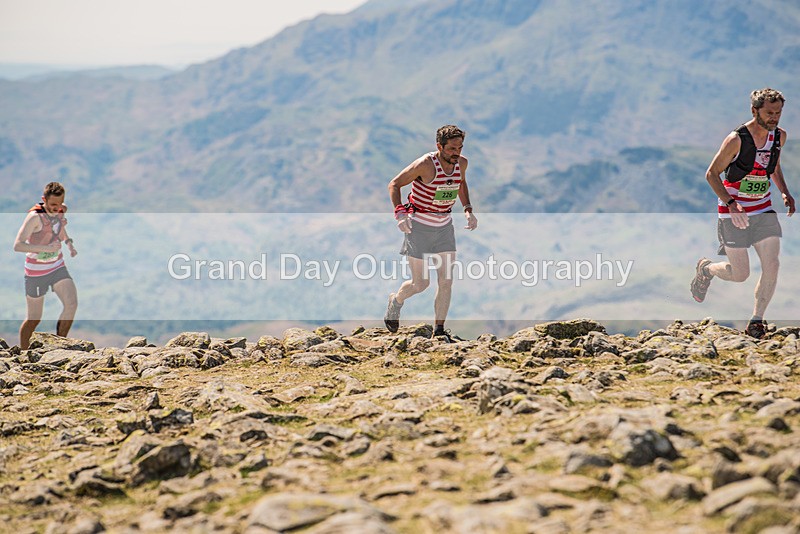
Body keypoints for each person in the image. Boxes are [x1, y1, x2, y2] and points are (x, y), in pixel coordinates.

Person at [691, 88, 795, 338]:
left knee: (772, 264)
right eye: (769, 113)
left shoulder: (779, 137)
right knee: (740, 274)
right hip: (733, 211)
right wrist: (730, 203)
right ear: (754, 111)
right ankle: (706, 269)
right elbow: (711, 174)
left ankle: (756, 321)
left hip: (763, 209)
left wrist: (784, 192)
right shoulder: (736, 139)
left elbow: (774, 166)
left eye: (778, 113)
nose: (774, 118)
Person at [384, 125, 478, 341]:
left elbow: (460, 183)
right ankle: (396, 301)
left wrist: (468, 210)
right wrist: (400, 214)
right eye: (453, 148)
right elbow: (395, 184)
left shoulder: (461, 163)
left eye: (460, 147)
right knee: (421, 283)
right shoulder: (425, 165)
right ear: (439, 146)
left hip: (444, 227)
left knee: (446, 281)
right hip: (418, 228)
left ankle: (439, 331)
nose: (457, 153)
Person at [13, 182, 78, 349]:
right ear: (44, 200)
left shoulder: (61, 210)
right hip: (36, 272)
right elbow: (18, 245)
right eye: (53, 204)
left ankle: (59, 345)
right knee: (34, 318)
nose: (57, 208)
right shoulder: (35, 217)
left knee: (71, 304)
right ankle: (23, 354)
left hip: (57, 266)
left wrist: (68, 243)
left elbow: (59, 228)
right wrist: (45, 248)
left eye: (60, 203)